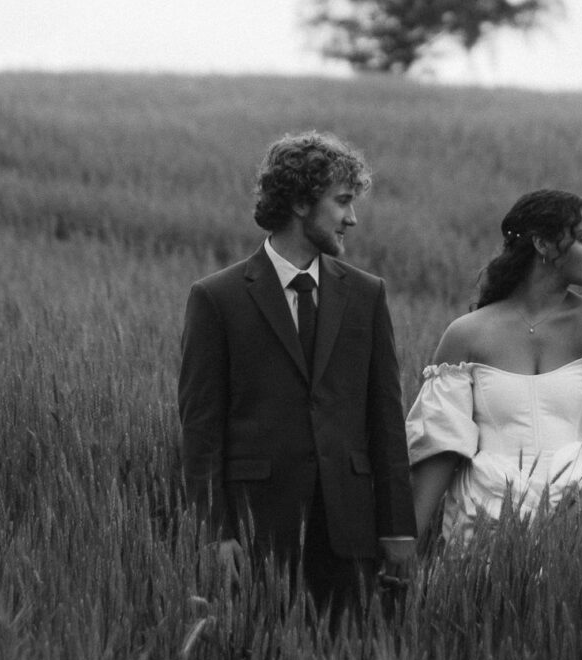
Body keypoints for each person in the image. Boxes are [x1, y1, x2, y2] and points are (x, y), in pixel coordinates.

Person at [178, 131, 417, 617]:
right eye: (343, 201)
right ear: (304, 203)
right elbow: (200, 432)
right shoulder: (217, 298)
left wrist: (398, 528)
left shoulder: (367, 295)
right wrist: (216, 535)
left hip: (351, 532)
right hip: (256, 534)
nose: (353, 217)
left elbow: (386, 420)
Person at [404, 189, 582, 551]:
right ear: (542, 244)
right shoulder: (467, 334)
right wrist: (405, 545)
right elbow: (440, 449)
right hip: (485, 525)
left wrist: (573, 522)